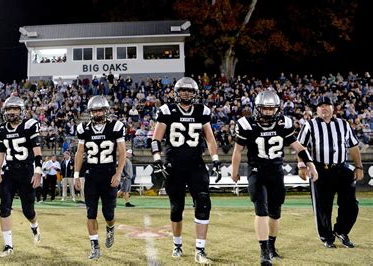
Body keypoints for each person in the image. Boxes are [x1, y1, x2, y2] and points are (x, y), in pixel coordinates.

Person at [231, 90, 317, 266]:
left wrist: (310, 163)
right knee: (261, 209)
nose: (269, 112)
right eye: (265, 108)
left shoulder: (283, 124)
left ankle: (271, 246)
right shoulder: (247, 125)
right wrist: (234, 170)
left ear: (277, 109)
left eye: (272, 108)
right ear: (257, 108)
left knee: (275, 213)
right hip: (257, 171)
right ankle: (263, 251)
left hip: (276, 171)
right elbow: (237, 150)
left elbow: (298, 147)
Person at [151, 77, 221, 264]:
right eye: (183, 90)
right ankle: (177, 244)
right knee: (177, 208)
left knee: (204, 202)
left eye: (190, 91)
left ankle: (200, 249)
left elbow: (210, 139)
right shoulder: (167, 111)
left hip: (196, 165)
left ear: (195, 93)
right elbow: (155, 139)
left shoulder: (202, 111)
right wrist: (158, 160)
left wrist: (215, 160)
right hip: (174, 166)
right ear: (176, 92)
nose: (186, 93)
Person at [297, 96, 364, 249]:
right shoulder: (310, 125)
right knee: (323, 207)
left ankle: (341, 231)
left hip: (341, 168)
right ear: (317, 109)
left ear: (333, 108)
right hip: (320, 170)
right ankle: (327, 237)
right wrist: (301, 165)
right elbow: (300, 147)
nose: (324, 108)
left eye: (327, 105)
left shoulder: (343, 124)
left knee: (351, 204)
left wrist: (359, 167)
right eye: (320, 106)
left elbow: (353, 147)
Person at [73, 95, 126, 260]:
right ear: (90, 112)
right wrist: (76, 175)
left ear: (106, 110)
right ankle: (95, 246)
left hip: (109, 175)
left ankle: (110, 229)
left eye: (100, 110)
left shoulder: (116, 126)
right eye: (94, 111)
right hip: (91, 175)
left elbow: (122, 152)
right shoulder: (83, 129)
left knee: (108, 214)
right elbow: (80, 152)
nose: (97, 113)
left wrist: (118, 173)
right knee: (91, 213)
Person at [0, 96, 43, 257]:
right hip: (9, 172)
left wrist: (38, 171)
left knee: (28, 211)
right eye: (8, 109)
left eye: (14, 109)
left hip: (27, 172)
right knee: (4, 206)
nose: (11, 112)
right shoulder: (1, 130)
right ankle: (8, 246)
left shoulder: (29, 126)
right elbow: (0, 153)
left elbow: (37, 151)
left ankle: (34, 226)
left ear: (21, 110)